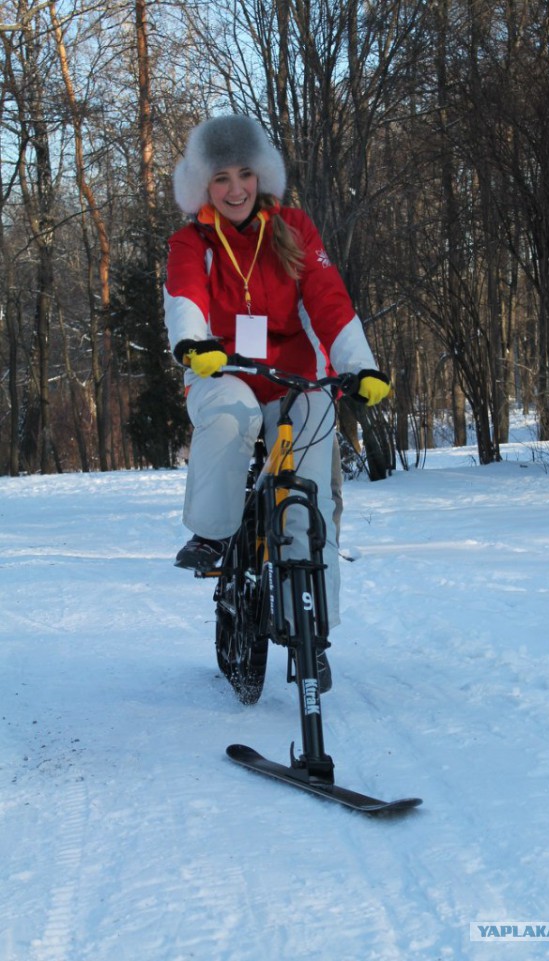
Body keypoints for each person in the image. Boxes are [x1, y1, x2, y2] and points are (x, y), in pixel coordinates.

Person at [163, 114, 390, 687]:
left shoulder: (293, 228)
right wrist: (193, 343)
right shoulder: (193, 240)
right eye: (220, 179)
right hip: (223, 371)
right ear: (202, 186)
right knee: (232, 411)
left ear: (261, 174)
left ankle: (312, 632)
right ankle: (214, 531)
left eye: (245, 173)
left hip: (293, 378)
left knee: (307, 494)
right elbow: (185, 294)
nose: (236, 189)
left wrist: (359, 366)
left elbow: (328, 299)